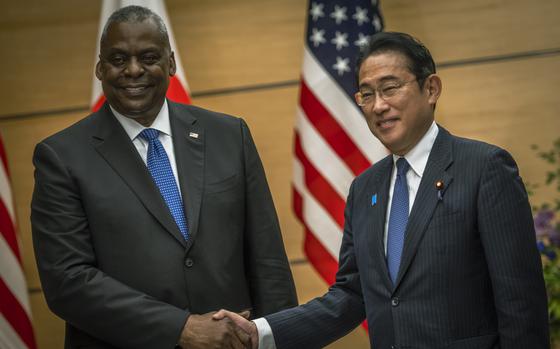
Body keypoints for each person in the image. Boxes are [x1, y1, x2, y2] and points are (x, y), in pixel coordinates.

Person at [215, 32, 550, 349]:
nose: (378, 106)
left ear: (431, 88)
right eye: (366, 94)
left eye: (390, 88)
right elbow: (351, 295)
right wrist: (261, 332)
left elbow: (521, 303)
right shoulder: (364, 189)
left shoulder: (484, 168)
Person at [31, 5, 297, 349]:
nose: (133, 70)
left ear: (170, 63)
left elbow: (267, 259)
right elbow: (68, 281)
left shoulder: (229, 135)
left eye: (148, 56)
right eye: (117, 59)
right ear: (100, 69)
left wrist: (281, 338)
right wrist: (181, 328)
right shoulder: (61, 157)